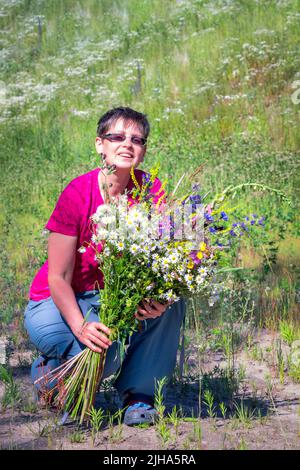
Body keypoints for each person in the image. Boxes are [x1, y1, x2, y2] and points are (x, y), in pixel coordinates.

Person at [24, 107, 186, 426]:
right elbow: (57, 277)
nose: (127, 144)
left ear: (143, 150)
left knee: (171, 307)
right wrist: (81, 326)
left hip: (112, 298)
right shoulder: (77, 193)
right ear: (100, 144)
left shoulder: (152, 192)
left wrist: (160, 298)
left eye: (137, 139)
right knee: (104, 351)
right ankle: (48, 375)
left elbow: (171, 259)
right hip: (56, 301)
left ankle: (139, 397)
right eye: (117, 137)